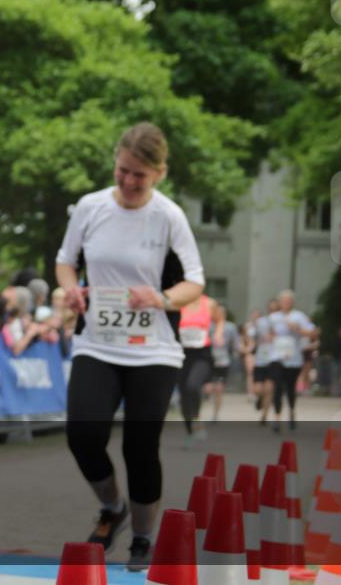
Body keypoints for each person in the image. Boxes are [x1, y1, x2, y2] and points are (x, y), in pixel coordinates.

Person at [55, 122, 205, 571]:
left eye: (139, 175)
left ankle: (142, 536)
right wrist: (71, 290)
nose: (128, 181)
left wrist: (159, 298)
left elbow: (195, 283)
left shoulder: (169, 216)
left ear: (159, 172)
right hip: (97, 340)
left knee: (140, 447)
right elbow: (66, 262)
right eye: (122, 170)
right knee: (83, 435)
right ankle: (112, 507)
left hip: (152, 348)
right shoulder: (90, 207)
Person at [267, 289, 316, 432]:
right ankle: (276, 418)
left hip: (293, 358)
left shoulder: (299, 316)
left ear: (292, 302)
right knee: (277, 387)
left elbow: (312, 333)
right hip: (276, 357)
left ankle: (292, 412)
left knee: (290, 388)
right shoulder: (273, 317)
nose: (286, 303)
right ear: (280, 302)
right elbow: (268, 334)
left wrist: (297, 329)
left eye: (288, 301)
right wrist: (270, 337)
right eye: (283, 301)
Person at [177, 293, 216, 444]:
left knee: (193, 386)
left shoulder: (209, 303)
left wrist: (218, 332)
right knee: (183, 394)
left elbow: (219, 319)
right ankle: (190, 430)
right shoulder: (178, 302)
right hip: (181, 354)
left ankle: (197, 418)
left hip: (202, 354)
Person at [207, 304, 238, 423]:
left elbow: (235, 344)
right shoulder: (209, 326)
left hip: (223, 361)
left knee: (219, 389)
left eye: (221, 312)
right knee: (208, 388)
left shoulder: (231, 327)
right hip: (209, 361)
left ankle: (215, 415)